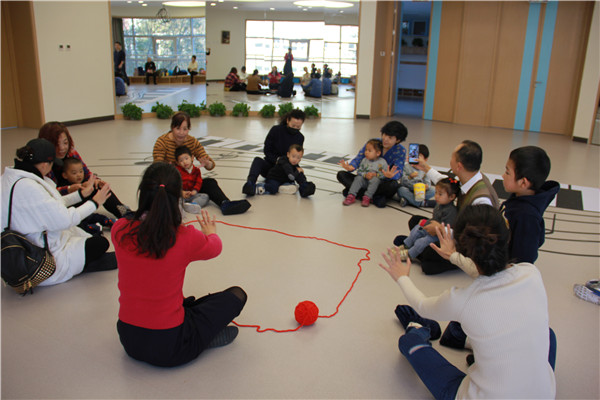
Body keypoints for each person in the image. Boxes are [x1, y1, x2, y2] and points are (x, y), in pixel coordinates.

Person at [379, 205, 556, 399]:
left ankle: (419, 329)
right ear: (507, 237)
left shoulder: (464, 300)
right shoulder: (531, 272)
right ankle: (461, 340)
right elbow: (493, 274)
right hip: (544, 393)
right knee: (548, 334)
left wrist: (402, 277)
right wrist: (454, 256)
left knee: (408, 342)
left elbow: (422, 306)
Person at [113, 162, 247, 367]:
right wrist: (210, 232)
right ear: (177, 198)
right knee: (236, 295)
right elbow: (215, 247)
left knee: (183, 302)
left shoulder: (120, 229)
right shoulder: (184, 236)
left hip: (129, 339)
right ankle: (202, 340)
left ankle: (197, 334)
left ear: (143, 193)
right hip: (171, 346)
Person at [1, 138, 116, 286]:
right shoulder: (29, 187)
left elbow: (51, 206)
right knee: (100, 243)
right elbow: (64, 220)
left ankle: (85, 261)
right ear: (44, 164)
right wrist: (95, 202)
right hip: (41, 260)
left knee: (87, 235)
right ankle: (85, 265)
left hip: (20, 250)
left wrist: (81, 195)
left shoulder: (10, 178)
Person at [410, 140, 499, 275]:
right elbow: (446, 183)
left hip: (470, 244)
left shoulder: (481, 200)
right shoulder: (472, 177)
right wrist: (425, 168)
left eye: (452, 156)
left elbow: (476, 236)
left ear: (458, 166)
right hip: (457, 228)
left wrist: (441, 230)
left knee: (428, 258)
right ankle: (419, 248)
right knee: (415, 221)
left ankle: (420, 249)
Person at [153, 111, 251, 216]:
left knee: (210, 182)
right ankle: (177, 203)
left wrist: (207, 163)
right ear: (172, 127)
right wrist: (167, 170)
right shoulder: (162, 142)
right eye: (178, 129)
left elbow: (210, 164)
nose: (181, 133)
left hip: (189, 183)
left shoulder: (192, 141)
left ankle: (225, 204)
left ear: (189, 129)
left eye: (185, 129)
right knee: (160, 188)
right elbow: (156, 168)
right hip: (172, 182)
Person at [38, 121, 132, 219]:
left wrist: (95, 181)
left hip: (78, 192)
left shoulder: (71, 153)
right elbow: (49, 193)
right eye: (56, 144)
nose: (62, 148)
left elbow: (86, 174)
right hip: (60, 202)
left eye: (65, 143)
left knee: (100, 188)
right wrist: (69, 189)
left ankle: (125, 213)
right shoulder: (43, 163)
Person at [500, 146, 559, 263]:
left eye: (507, 172)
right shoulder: (518, 197)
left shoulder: (527, 217)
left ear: (523, 182)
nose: (503, 176)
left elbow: (524, 259)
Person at [337, 121, 406, 208]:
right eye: (385, 134)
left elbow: (398, 170)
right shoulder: (374, 143)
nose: (385, 139)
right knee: (341, 175)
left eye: (390, 137)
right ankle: (374, 197)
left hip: (381, 182)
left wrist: (391, 175)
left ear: (398, 140)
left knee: (394, 185)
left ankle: (357, 193)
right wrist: (351, 166)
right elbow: (359, 157)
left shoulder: (401, 150)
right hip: (364, 179)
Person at [242, 109, 306, 196]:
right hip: (271, 167)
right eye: (293, 125)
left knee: (297, 169)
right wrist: (277, 160)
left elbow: (297, 155)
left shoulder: (300, 137)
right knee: (258, 161)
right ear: (288, 120)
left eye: (298, 127)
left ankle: (304, 186)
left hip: (286, 170)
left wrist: (296, 169)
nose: (295, 128)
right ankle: (250, 184)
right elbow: (267, 150)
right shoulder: (276, 130)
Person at [393, 177, 459, 260]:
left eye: (440, 194)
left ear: (452, 197)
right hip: (433, 228)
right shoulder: (439, 205)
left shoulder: (451, 211)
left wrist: (433, 228)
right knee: (417, 229)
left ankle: (410, 254)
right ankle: (406, 245)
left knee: (422, 241)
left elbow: (446, 230)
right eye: (436, 193)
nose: (436, 196)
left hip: (439, 235)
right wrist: (426, 222)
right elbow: (434, 219)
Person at [61, 157, 116, 235]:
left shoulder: (85, 183)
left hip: (87, 213)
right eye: (74, 173)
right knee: (79, 226)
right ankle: (91, 228)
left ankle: (108, 221)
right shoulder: (65, 188)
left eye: (81, 171)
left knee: (97, 217)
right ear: (65, 175)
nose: (79, 175)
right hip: (74, 217)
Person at [342, 139, 389, 207]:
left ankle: (367, 197)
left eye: (369, 151)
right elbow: (359, 171)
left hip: (375, 184)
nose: (366, 152)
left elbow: (385, 175)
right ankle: (351, 195)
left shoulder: (383, 162)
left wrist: (376, 175)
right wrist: (365, 175)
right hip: (365, 181)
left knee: (375, 180)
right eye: (366, 150)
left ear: (378, 153)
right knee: (358, 178)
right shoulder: (364, 160)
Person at [175, 145, 210, 214]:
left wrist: (195, 191)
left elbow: (199, 182)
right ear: (177, 163)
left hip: (191, 194)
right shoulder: (176, 171)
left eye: (186, 158)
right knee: (175, 199)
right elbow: (174, 184)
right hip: (181, 195)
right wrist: (181, 192)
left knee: (205, 196)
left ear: (192, 158)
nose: (185, 162)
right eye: (181, 160)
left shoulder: (196, 170)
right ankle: (182, 206)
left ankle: (193, 204)